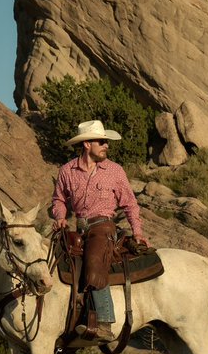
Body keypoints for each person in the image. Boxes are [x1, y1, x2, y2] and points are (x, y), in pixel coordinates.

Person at [51, 119, 149, 341]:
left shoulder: (114, 171)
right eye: (102, 142)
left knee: (93, 260)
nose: (107, 145)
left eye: (106, 142)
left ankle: (104, 322)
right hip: (79, 227)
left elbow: (130, 204)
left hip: (103, 226)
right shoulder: (67, 171)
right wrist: (60, 217)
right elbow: (58, 200)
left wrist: (138, 232)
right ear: (87, 144)